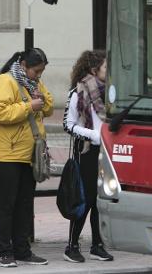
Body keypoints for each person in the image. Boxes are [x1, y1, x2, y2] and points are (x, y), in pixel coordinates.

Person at [0, 48, 54, 268]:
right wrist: (28, 106)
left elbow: (49, 106)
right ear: (23, 65)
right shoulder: (5, 81)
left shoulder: (33, 84)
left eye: (41, 72)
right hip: (5, 154)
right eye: (36, 71)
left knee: (24, 204)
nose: (39, 76)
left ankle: (22, 250)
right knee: (7, 204)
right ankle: (4, 251)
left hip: (27, 153)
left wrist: (41, 100)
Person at [62, 50, 114, 263]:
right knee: (86, 199)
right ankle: (71, 246)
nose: (110, 71)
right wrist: (95, 135)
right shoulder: (79, 92)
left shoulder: (112, 92)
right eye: (105, 67)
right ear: (94, 70)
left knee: (102, 200)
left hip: (109, 151)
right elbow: (68, 124)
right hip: (88, 152)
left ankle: (97, 245)